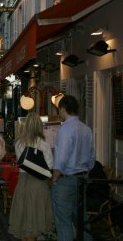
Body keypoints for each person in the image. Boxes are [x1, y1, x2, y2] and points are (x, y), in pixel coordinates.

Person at [51, 95, 95, 241]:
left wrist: (55, 178)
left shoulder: (65, 129)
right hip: (82, 178)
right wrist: (86, 170)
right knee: (82, 220)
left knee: (63, 222)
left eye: (59, 110)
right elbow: (91, 158)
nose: (59, 113)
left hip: (66, 180)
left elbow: (61, 157)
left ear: (63, 109)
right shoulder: (86, 129)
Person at [8, 112, 53, 241]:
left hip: (23, 182)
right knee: (34, 221)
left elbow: (20, 164)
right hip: (38, 183)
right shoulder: (43, 143)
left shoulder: (19, 143)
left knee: (23, 221)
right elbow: (50, 164)